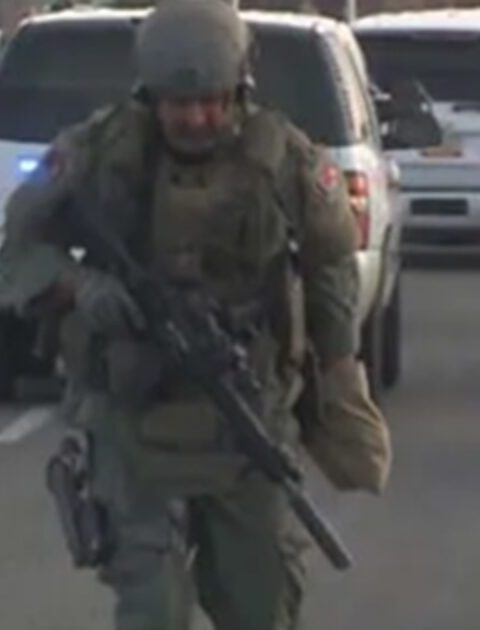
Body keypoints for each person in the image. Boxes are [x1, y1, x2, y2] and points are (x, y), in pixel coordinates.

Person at [0, 0, 391, 628]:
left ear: (240, 88)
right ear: (149, 95)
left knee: (260, 603)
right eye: (178, 104)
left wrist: (340, 374)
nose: (195, 118)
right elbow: (18, 247)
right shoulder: (97, 152)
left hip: (246, 416)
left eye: (211, 101)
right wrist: (79, 286)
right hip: (132, 423)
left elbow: (331, 264)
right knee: (153, 608)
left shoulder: (285, 159)